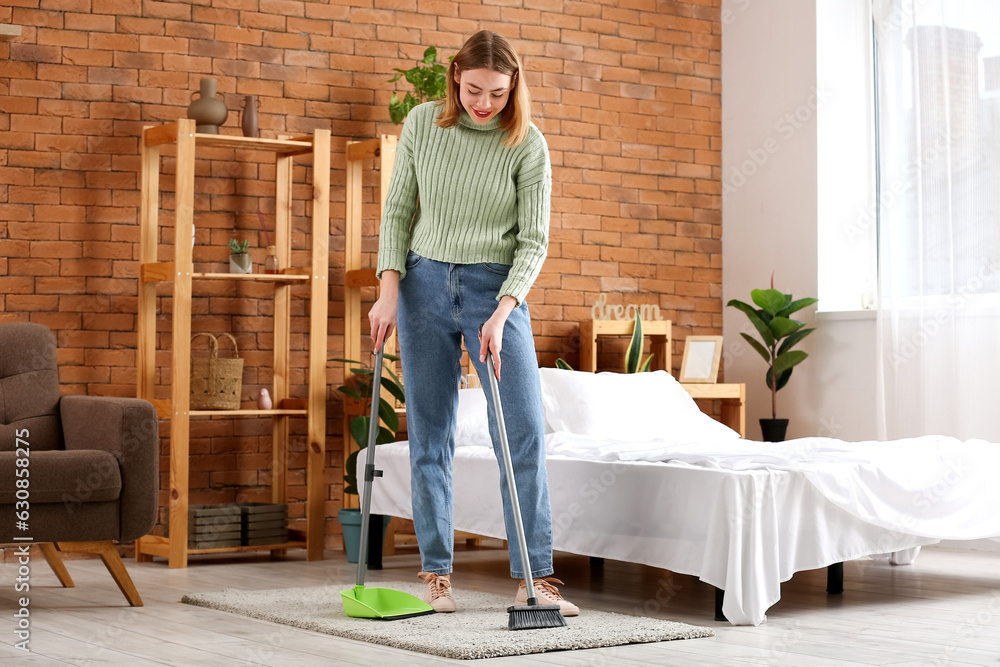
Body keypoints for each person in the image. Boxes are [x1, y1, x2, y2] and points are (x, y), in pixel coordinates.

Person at [369, 30, 578, 616]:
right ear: (454, 78)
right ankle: (436, 574)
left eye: (497, 93)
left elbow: (534, 242)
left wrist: (503, 310)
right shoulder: (420, 127)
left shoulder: (527, 144)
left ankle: (535, 578)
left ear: (515, 90)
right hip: (423, 285)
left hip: (497, 290)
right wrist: (389, 291)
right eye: (473, 90)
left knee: (524, 431)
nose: (484, 104)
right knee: (430, 433)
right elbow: (399, 213)